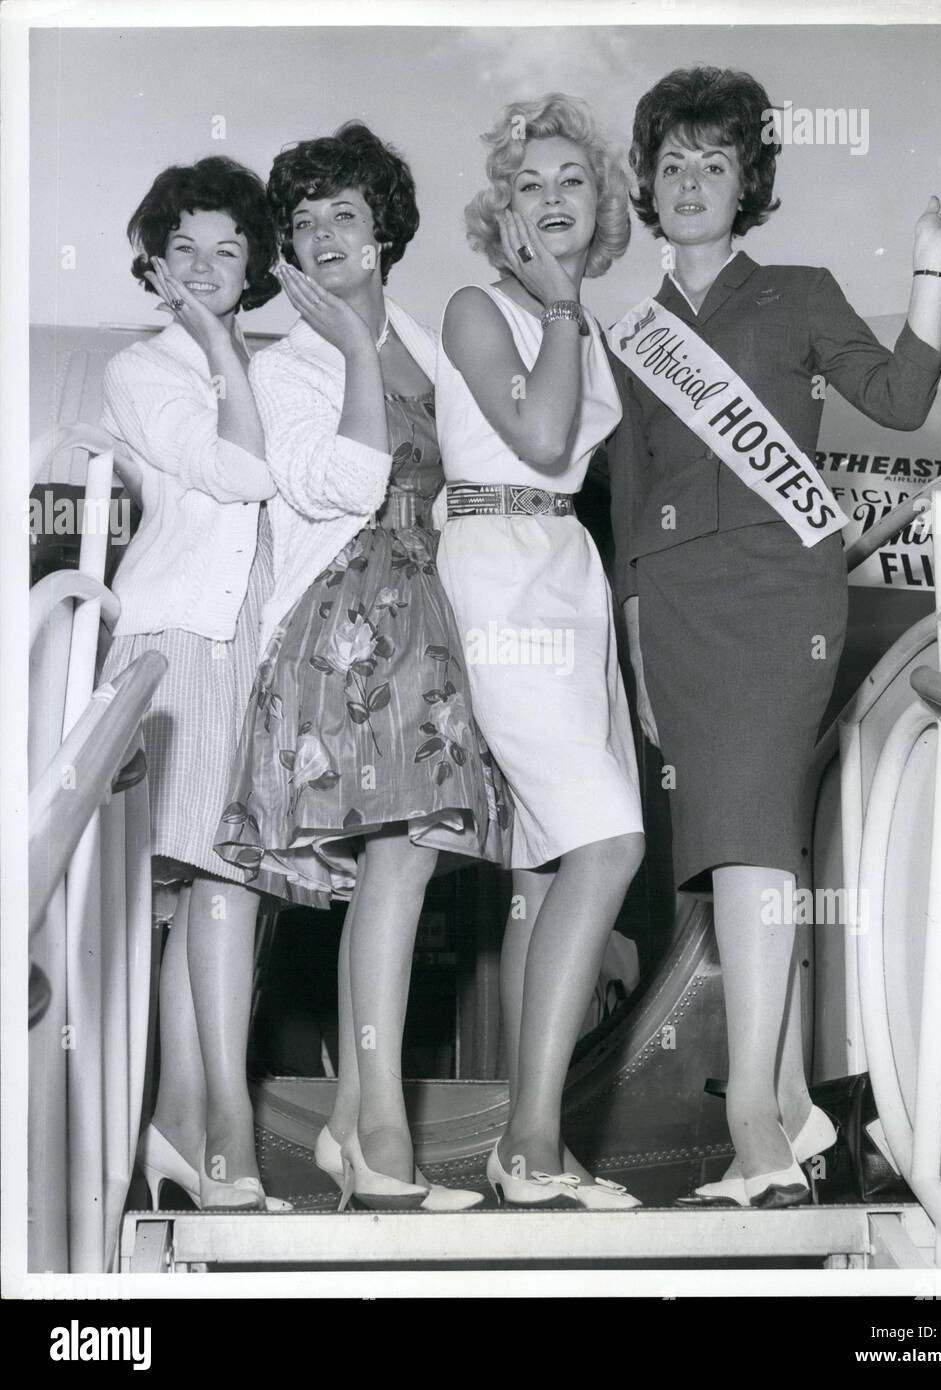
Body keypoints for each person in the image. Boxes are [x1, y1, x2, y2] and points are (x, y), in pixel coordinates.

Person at [607, 66, 941, 1207]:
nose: (688, 181)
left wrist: (927, 259)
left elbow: (906, 399)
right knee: (726, 846)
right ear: (647, 183)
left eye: (711, 163)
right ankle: (786, 1112)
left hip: (778, 596)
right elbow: (624, 503)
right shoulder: (626, 328)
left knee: (756, 832)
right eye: (669, 162)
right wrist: (633, 659)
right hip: (672, 609)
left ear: (746, 183)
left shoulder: (803, 292)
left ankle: (752, 1129)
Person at [216, 122, 508, 1211]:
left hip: (423, 613)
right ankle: (379, 1127)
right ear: (285, 253)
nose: (323, 233)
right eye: (302, 221)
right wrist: (344, 349)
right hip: (337, 619)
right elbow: (342, 483)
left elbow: (466, 482)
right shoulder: (288, 363)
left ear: (382, 232)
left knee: (402, 868)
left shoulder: (429, 345)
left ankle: (355, 1123)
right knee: (397, 864)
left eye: (343, 212)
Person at [435, 94, 645, 1209]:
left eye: (572, 180)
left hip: (565, 576)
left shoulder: (577, 319)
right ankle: (531, 1144)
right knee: (607, 841)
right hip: (496, 564)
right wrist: (562, 307)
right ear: (502, 213)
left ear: (599, 203)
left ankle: (522, 1139)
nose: (552, 198)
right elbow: (545, 438)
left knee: (542, 871)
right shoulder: (479, 308)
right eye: (529, 183)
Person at [100, 156, 291, 1210]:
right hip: (178, 642)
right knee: (218, 879)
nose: (209, 266)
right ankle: (224, 1129)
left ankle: (179, 1122)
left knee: (227, 890)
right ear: (157, 263)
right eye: (187, 249)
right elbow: (238, 470)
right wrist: (221, 343)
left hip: (249, 643)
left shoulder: (264, 363)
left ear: (254, 260)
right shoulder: (146, 365)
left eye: (229, 249)